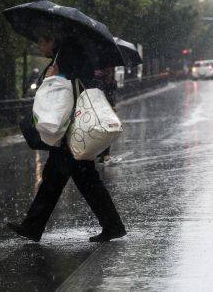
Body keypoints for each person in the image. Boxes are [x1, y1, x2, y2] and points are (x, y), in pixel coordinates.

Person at [7, 30, 126, 243]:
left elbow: (72, 85)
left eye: (41, 43)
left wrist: (55, 77)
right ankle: (33, 226)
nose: (39, 48)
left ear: (51, 39)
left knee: (74, 179)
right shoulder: (67, 52)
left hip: (71, 128)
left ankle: (112, 225)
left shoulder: (69, 53)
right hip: (71, 129)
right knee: (60, 178)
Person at [93, 66, 117, 165]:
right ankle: (104, 154)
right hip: (102, 105)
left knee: (105, 129)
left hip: (105, 105)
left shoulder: (104, 77)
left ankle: (103, 154)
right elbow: (109, 90)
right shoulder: (99, 77)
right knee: (106, 129)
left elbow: (112, 89)